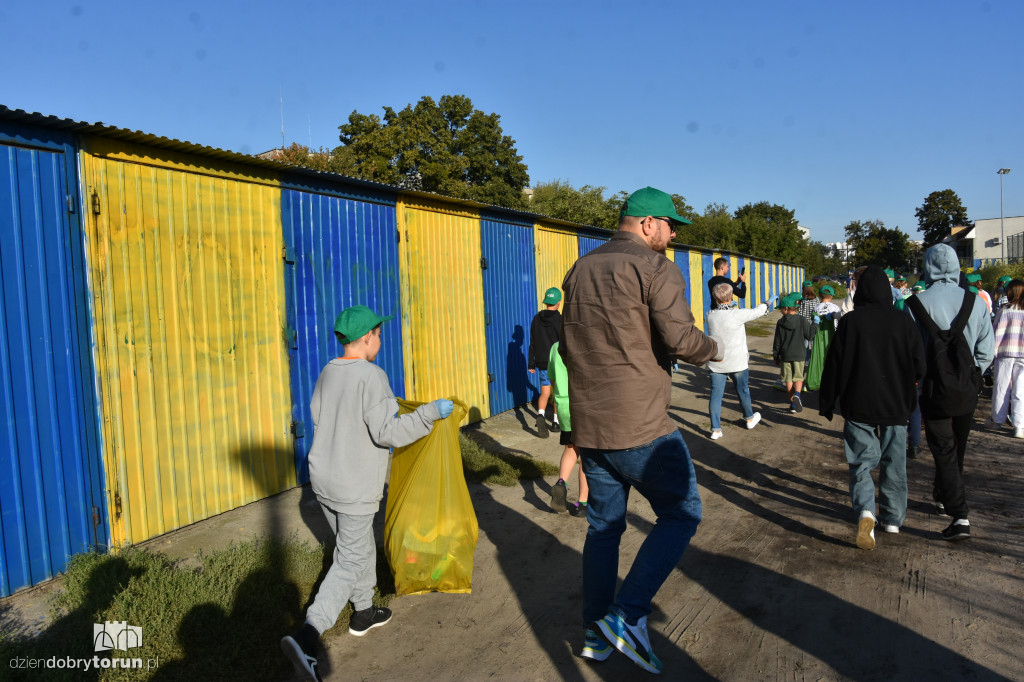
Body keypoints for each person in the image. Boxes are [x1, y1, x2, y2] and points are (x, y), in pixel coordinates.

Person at [560, 186, 722, 674]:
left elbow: (570, 346)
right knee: (681, 512)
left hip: (590, 424)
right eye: (671, 226)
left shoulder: (579, 269)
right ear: (647, 223)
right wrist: (716, 350)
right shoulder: (655, 268)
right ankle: (627, 615)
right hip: (641, 422)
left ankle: (595, 632)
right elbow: (680, 338)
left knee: (604, 528)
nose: (673, 235)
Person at [281, 305, 454, 681]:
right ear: (366, 339)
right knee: (348, 560)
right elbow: (387, 433)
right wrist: (429, 415)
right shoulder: (372, 376)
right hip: (354, 486)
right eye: (379, 334)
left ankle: (363, 612)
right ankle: (307, 637)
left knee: (352, 548)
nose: (380, 340)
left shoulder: (329, 370)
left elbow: (317, 415)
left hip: (323, 480)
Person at [818, 267, 925, 549]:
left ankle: (866, 511)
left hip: (858, 403)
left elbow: (834, 365)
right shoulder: (903, 321)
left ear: (862, 290)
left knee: (862, 462)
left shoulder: (851, 322)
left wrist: (828, 402)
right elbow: (920, 364)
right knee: (895, 461)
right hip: (896, 405)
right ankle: (892, 519)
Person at [905, 245, 994, 542]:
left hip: (933, 388)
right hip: (967, 388)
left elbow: (911, 352)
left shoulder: (914, 303)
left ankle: (960, 516)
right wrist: (972, 376)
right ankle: (944, 494)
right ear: (957, 266)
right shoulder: (976, 302)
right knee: (959, 447)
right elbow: (986, 351)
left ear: (927, 266)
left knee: (943, 448)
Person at [706, 282, 773, 439]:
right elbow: (756, 311)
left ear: (715, 298)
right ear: (731, 296)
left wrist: (728, 305)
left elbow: (721, 314)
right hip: (737, 361)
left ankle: (716, 429)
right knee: (743, 390)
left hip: (717, 360)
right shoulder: (737, 314)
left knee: (716, 395)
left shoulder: (710, 315)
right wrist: (767, 303)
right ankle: (749, 418)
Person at [547, 341, 589, 516]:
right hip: (584, 402)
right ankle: (582, 503)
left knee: (571, 447)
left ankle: (561, 482)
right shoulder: (586, 343)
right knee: (587, 454)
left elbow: (551, 377)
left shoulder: (555, 346)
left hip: (564, 403)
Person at [987, 279, 1024, 438]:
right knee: (1020, 390)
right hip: (1022, 353)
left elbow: (995, 332)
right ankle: (1019, 426)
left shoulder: (1003, 310)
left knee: (1001, 387)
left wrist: (992, 353)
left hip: (1004, 352)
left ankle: (997, 420)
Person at [773, 293, 818, 413]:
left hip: (785, 355)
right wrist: (815, 324)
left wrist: (776, 356)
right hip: (799, 354)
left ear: (786, 309)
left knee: (788, 380)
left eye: (781, 309)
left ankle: (793, 403)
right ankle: (797, 394)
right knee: (798, 377)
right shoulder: (802, 320)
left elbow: (777, 341)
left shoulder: (780, 322)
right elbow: (810, 335)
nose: (781, 311)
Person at [528, 287, 563, 438]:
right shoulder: (560, 320)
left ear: (546, 301)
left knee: (545, 392)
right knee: (557, 393)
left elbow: (533, 342)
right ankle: (556, 423)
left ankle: (541, 415)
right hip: (557, 361)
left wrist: (531, 363)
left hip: (542, 362)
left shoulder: (536, 319)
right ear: (559, 303)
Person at [805, 285, 840, 391]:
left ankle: (818, 379)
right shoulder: (835, 308)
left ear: (820, 295)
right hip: (832, 335)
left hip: (818, 337)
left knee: (818, 358)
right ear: (832, 296)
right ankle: (833, 381)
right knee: (831, 358)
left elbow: (814, 319)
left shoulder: (816, 307)